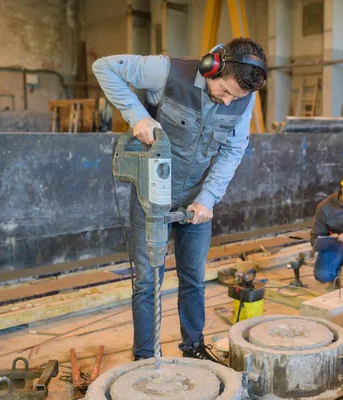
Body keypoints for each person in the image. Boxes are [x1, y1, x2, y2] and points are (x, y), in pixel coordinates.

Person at [92, 37, 267, 363]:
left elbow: (232, 149)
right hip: (150, 197)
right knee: (147, 282)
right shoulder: (166, 71)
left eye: (237, 97)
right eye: (226, 92)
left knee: (193, 279)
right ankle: (145, 358)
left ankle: (193, 346)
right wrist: (136, 115)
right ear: (212, 67)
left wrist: (208, 198)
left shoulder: (243, 98)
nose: (230, 103)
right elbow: (103, 67)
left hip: (195, 201)